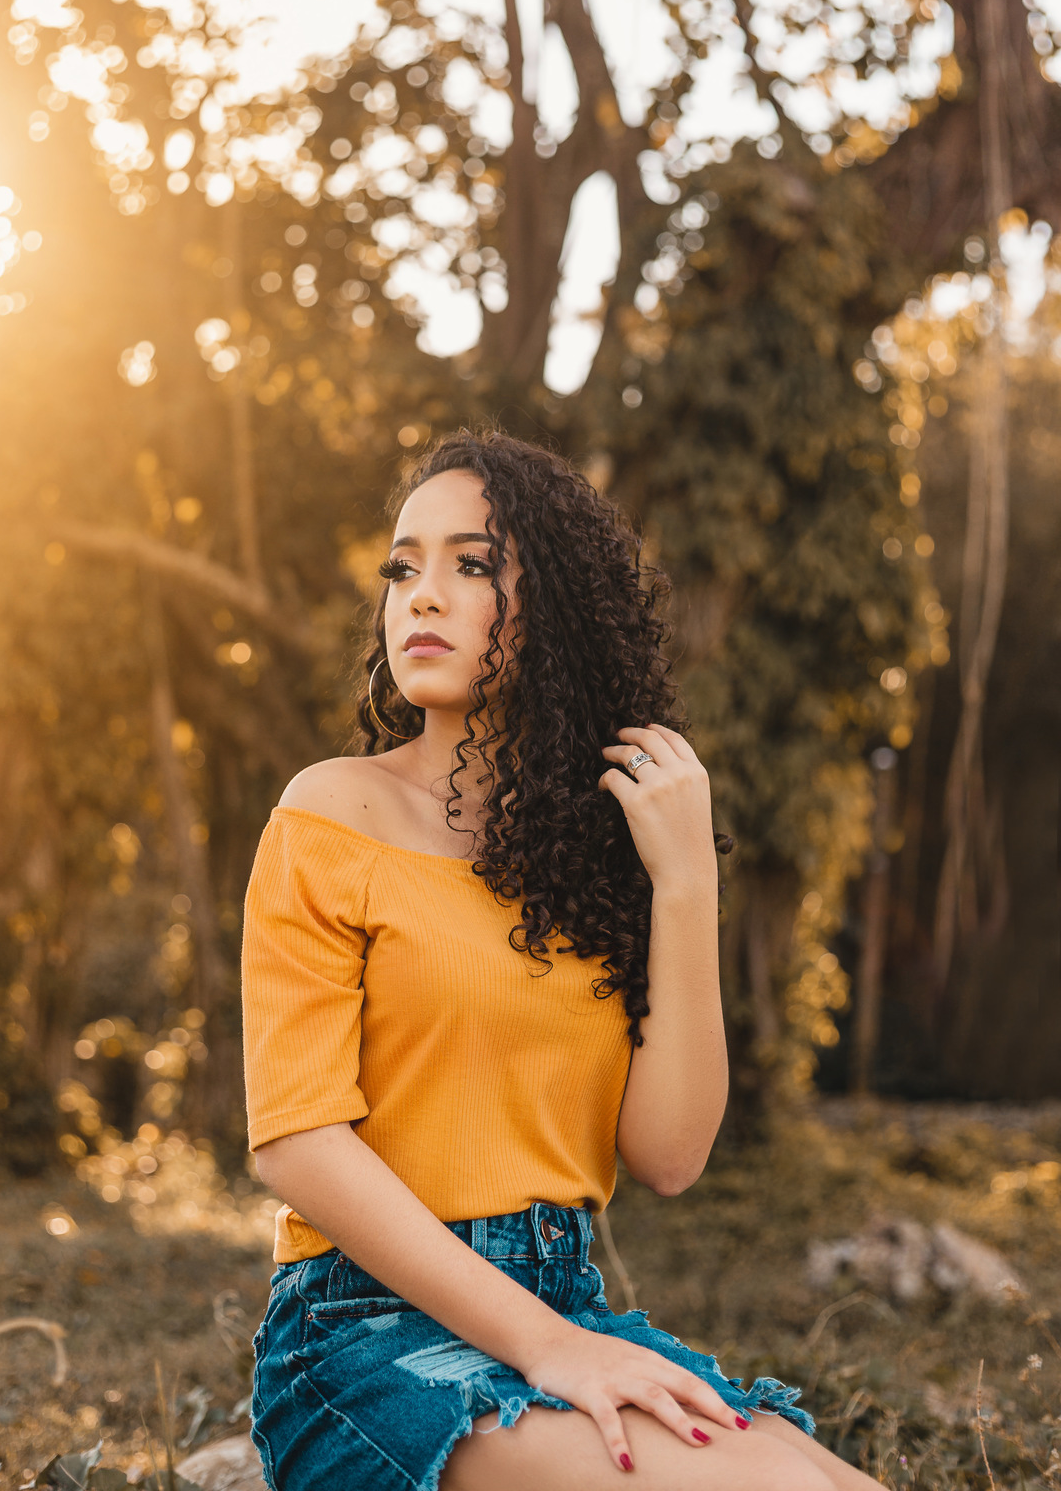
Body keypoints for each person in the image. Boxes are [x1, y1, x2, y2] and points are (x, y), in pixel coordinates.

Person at [243, 430, 879, 1491]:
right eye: (404, 567)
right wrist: (547, 1348)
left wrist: (684, 885)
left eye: (472, 564)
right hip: (361, 1339)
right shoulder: (330, 811)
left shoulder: (594, 858)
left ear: (555, 613)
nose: (422, 596)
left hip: (563, 1305)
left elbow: (669, 1156)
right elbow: (299, 1143)